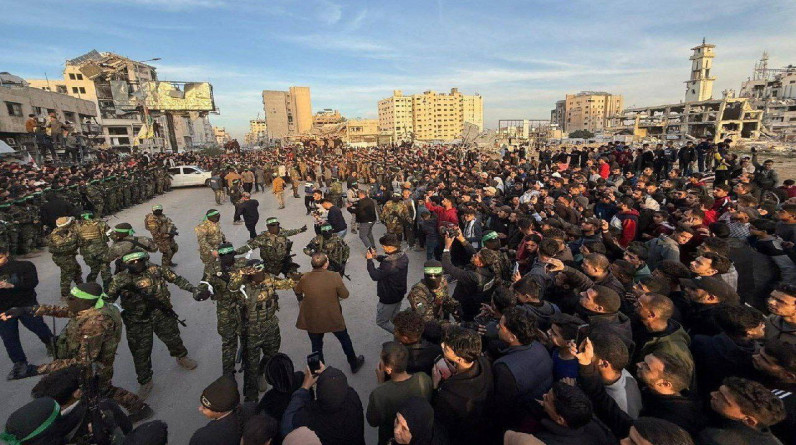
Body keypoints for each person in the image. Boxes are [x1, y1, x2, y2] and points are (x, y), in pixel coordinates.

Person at [2, 282, 153, 421]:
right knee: (99, 390)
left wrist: (36, 369)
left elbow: (84, 361)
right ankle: (135, 408)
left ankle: (136, 409)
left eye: (73, 298)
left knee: (100, 390)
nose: (69, 300)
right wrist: (28, 310)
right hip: (88, 361)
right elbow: (63, 311)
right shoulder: (90, 308)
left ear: (86, 302)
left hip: (94, 366)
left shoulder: (94, 323)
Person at [106, 251, 200, 399]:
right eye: (132, 262)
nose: (136, 264)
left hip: (162, 314)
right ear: (126, 264)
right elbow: (108, 300)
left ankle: (181, 357)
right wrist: (118, 313)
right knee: (140, 352)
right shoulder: (120, 279)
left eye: (139, 260)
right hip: (137, 322)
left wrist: (194, 290)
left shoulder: (156, 270)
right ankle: (145, 381)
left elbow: (177, 279)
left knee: (173, 338)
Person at [228, 260, 296, 402]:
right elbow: (232, 287)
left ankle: (261, 372)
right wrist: (241, 272)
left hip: (270, 325)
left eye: (261, 270)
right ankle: (251, 397)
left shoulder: (269, 279)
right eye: (256, 271)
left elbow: (287, 283)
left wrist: (298, 276)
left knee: (272, 355)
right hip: (251, 329)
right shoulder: (242, 285)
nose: (260, 273)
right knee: (250, 364)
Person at [293, 253, 365, 373]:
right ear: (326, 264)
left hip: (313, 318)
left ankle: (319, 371)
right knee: (344, 339)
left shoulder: (305, 277)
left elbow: (297, 290)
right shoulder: (334, 276)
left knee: (316, 346)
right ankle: (353, 363)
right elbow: (345, 295)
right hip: (332, 316)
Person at [493, 307, 554, 432]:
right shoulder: (540, 347)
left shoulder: (505, 369)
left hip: (520, 421)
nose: (497, 327)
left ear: (512, 337)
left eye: (501, 326)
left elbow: (502, 406)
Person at [0, 244, 54, 380]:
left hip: (26, 305)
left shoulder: (24, 266)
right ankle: (20, 364)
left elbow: (32, 283)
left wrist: (11, 285)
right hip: (4, 310)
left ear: (6, 254)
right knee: (9, 337)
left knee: (39, 328)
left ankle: (51, 343)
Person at [432, 325, 492, 444]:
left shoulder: (448, 395)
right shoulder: (484, 363)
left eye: (447, 348)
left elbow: (440, 420)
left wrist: (435, 386)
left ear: (459, 359)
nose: (442, 345)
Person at [195, 242, 247, 376]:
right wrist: (201, 293)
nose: (226, 256)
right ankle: (228, 376)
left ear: (233, 253)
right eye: (222, 254)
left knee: (249, 341)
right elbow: (203, 284)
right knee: (228, 343)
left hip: (245, 308)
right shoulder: (212, 268)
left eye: (229, 253)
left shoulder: (243, 263)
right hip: (225, 310)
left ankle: (252, 373)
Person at [367, 342, 433, 444]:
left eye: (381, 360)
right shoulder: (423, 378)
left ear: (388, 369)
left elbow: (373, 421)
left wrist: (380, 382)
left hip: (390, 435)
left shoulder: (379, 394)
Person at [281, 365, 365, 445]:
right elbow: (341, 388)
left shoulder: (309, 418)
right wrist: (327, 376)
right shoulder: (353, 398)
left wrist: (305, 387)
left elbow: (287, 427)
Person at [699, 377, 786, 445]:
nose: (713, 394)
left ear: (749, 420)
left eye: (724, 400)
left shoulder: (716, 438)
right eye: (719, 391)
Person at [532, 381, 616, 445]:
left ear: (560, 420)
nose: (543, 395)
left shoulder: (546, 440)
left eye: (547, 399)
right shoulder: (588, 417)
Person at [235, 217, 306, 278]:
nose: (275, 227)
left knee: (294, 278)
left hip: (285, 262)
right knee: (268, 285)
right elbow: (249, 246)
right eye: (272, 225)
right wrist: (235, 252)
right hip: (270, 265)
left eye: (277, 224)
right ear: (268, 226)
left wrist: (300, 230)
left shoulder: (282, 232)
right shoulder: (262, 238)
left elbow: (291, 232)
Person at [367, 233, 410, 333]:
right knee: (394, 317)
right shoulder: (403, 256)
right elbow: (388, 259)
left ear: (390, 247)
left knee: (381, 321)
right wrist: (377, 257)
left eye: (384, 246)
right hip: (399, 293)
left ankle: (400, 335)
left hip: (388, 296)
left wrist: (369, 261)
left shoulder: (388, 264)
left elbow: (375, 275)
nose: (382, 248)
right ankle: (399, 337)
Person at [190, 375, 245, 445]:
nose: (199, 409)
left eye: (204, 408)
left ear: (219, 411)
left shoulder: (203, 438)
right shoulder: (249, 409)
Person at [392, 310, 442, 376]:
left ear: (405, 338)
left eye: (396, 331)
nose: (394, 333)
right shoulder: (437, 350)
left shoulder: (396, 358)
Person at [47, 217, 83, 299]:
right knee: (67, 274)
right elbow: (65, 244)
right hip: (63, 257)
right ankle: (65, 294)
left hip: (68, 256)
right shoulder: (56, 234)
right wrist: (73, 237)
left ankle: (81, 286)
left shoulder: (64, 231)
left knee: (77, 269)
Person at [75, 211, 112, 290]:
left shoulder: (77, 226)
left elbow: (75, 240)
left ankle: (90, 287)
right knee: (105, 270)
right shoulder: (101, 223)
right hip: (102, 251)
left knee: (94, 269)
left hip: (87, 253)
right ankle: (107, 290)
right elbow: (111, 234)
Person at [195, 209, 227, 274]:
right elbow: (202, 241)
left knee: (220, 264)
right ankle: (206, 281)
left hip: (218, 247)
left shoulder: (216, 223)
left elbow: (219, 232)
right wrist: (212, 251)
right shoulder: (202, 227)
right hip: (208, 251)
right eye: (216, 216)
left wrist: (224, 240)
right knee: (209, 267)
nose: (218, 218)